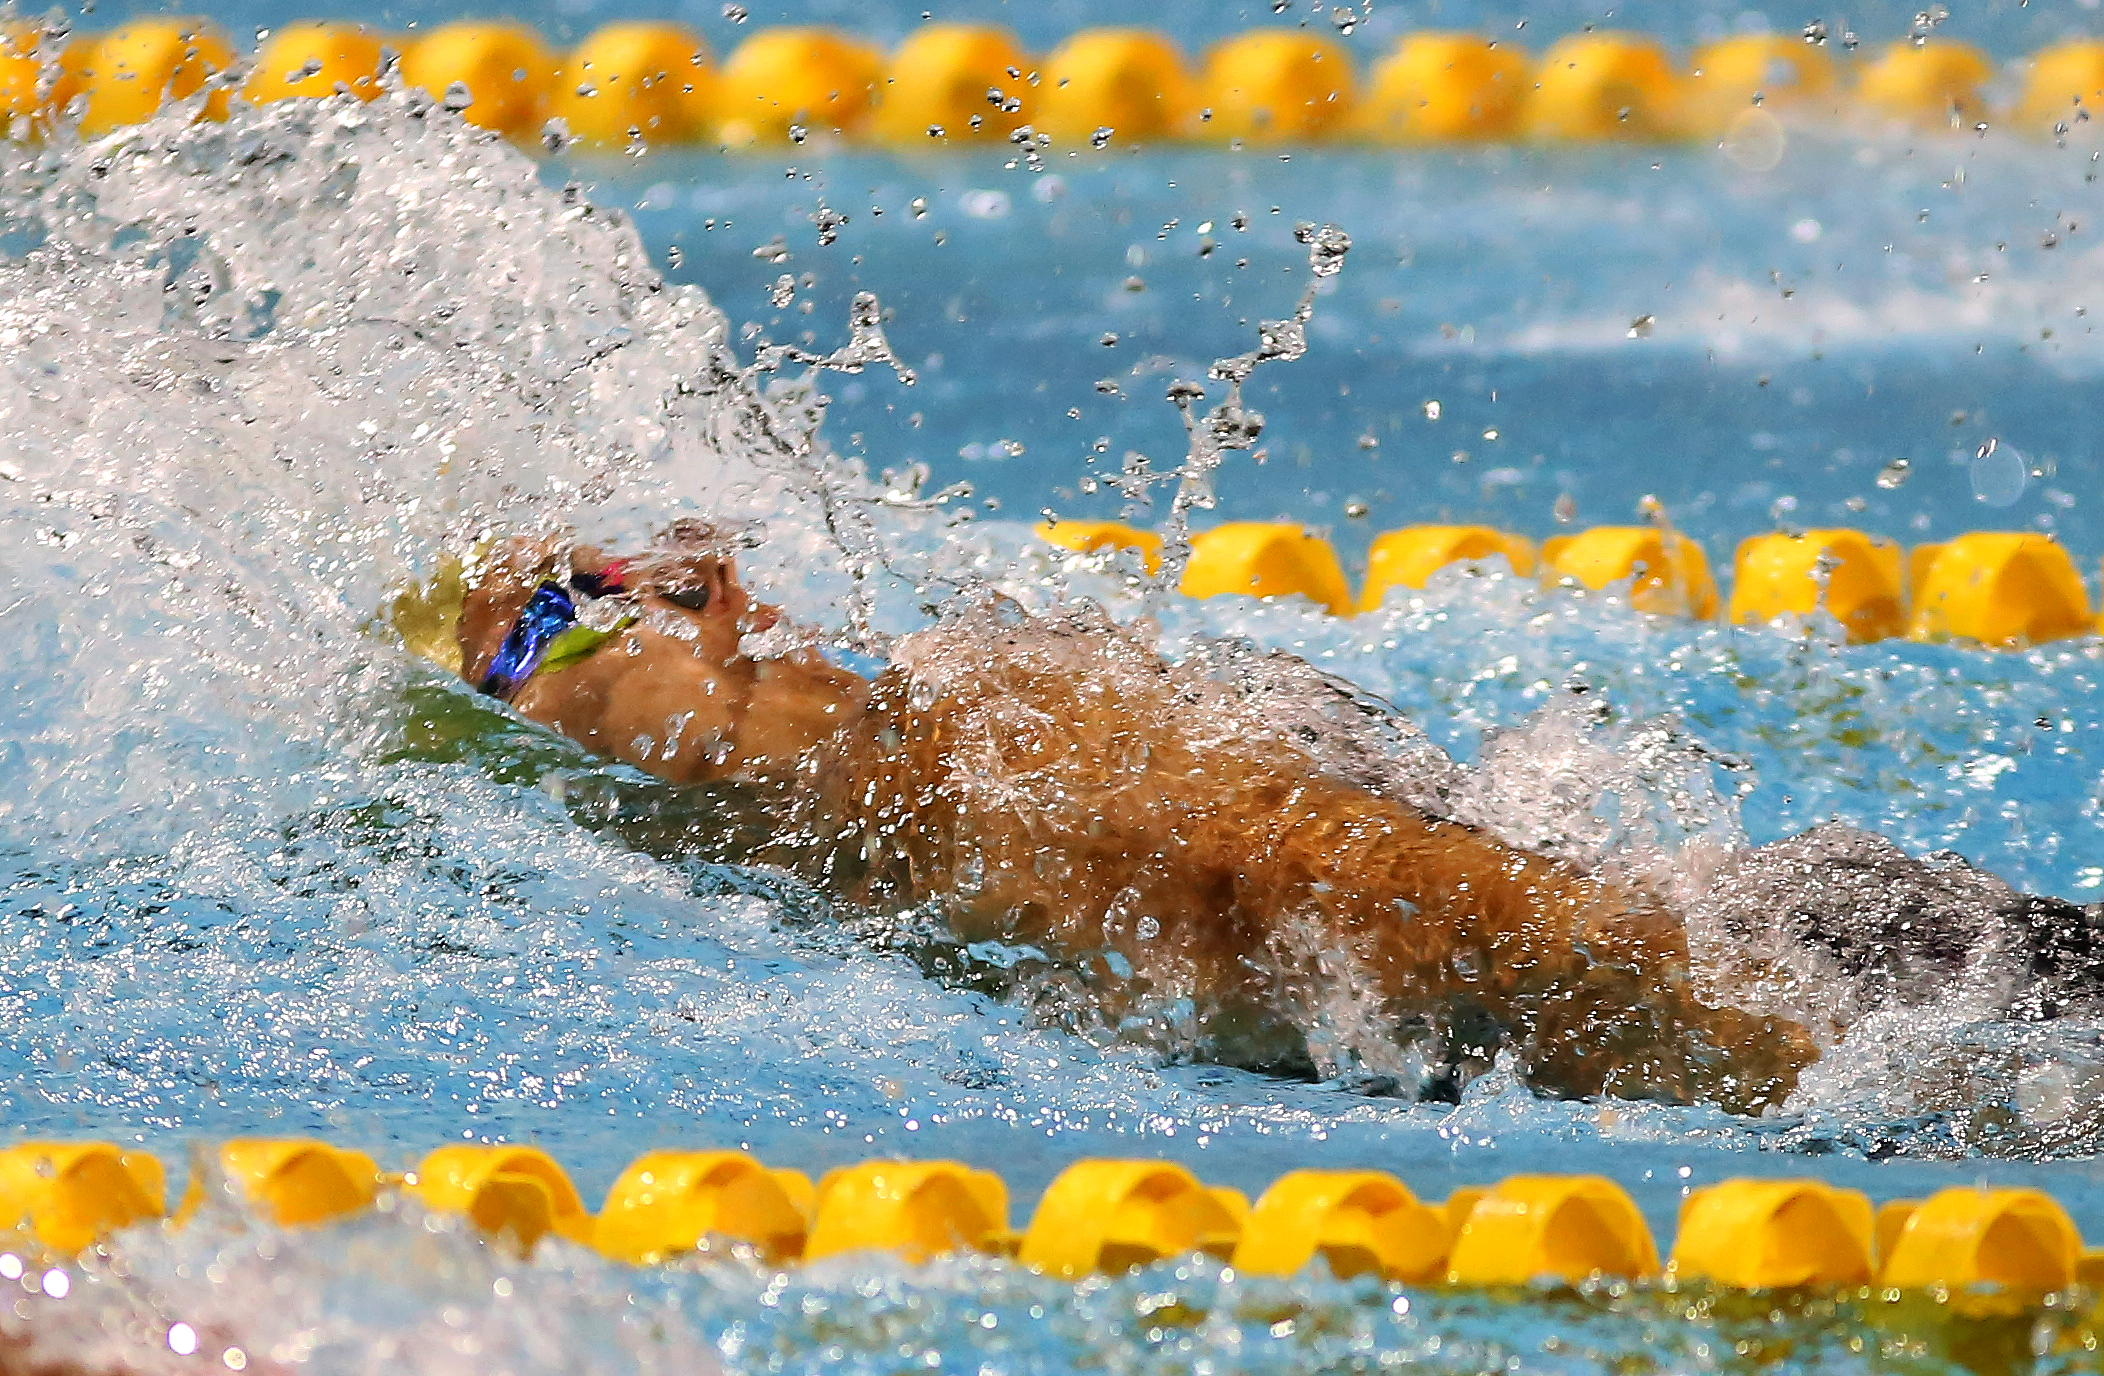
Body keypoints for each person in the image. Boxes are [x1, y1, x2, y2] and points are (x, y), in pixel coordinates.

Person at [407, 522, 2100, 1115]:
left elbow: (584, 657)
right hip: (1204, 778)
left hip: (1194, 848)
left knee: (1674, 981)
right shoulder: (820, 707)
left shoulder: (681, 721)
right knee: (1675, 936)